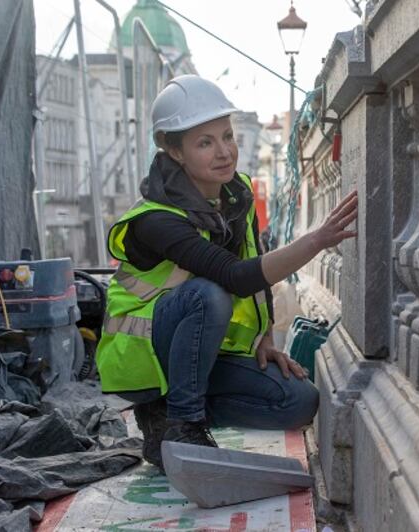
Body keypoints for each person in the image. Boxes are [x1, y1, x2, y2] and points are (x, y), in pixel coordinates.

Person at [95, 75, 358, 470]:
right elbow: (234, 276)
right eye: (205, 143)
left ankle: (163, 422)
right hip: (145, 358)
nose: (224, 152)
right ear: (174, 150)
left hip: (198, 358)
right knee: (208, 294)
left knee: (299, 401)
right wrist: (316, 240)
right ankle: (183, 426)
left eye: (227, 136)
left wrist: (265, 337)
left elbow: (255, 264)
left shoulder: (237, 196)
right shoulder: (156, 219)